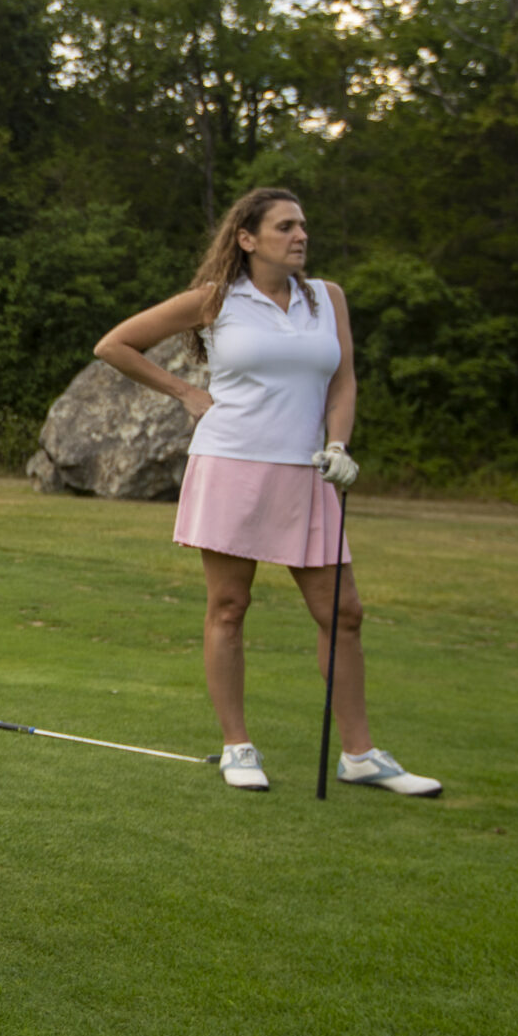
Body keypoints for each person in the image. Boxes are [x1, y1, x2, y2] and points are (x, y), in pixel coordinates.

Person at [93, 187, 440, 798]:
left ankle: (359, 754)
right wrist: (185, 394)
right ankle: (237, 745)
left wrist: (338, 446)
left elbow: (342, 381)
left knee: (344, 613)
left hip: (308, 472)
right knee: (229, 607)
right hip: (231, 464)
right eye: (285, 227)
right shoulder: (218, 299)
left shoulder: (328, 299)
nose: (300, 235)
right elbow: (115, 344)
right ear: (248, 239)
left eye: (303, 225)